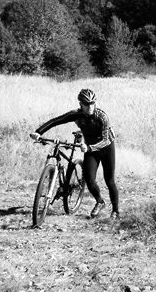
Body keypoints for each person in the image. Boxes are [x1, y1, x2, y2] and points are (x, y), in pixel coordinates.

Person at [30, 88, 119, 220]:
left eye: (92, 103)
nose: (90, 107)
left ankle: (116, 211)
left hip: (106, 148)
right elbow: (56, 121)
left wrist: (89, 148)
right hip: (89, 149)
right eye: (86, 104)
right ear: (80, 104)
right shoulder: (76, 114)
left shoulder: (102, 116)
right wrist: (38, 132)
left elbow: (106, 140)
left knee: (109, 180)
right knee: (89, 179)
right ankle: (100, 202)